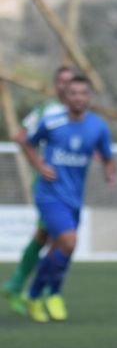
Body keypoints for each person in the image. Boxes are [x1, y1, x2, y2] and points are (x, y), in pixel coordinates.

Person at [18, 74, 115, 322]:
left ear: (90, 97)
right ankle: (42, 293)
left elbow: (106, 154)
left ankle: (39, 294)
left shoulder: (98, 127)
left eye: (83, 93)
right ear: (65, 96)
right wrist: (39, 165)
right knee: (69, 242)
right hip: (49, 194)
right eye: (73, 93)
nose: (79, 98)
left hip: (74, 197)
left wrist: (109, 171)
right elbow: (27, 142)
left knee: (64, 249)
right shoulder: (51, 122)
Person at [2, 65, 76, 315]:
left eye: (71, 81)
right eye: (62, 81)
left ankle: (19, 285)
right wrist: (39, 163)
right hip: (50, 184)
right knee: (58, 236)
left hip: (70, 184)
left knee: (46, 236)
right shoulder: (47, 110)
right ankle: (43, 291)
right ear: (56, 86)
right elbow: (21, 136)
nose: (66, 86)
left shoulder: (79, 113)